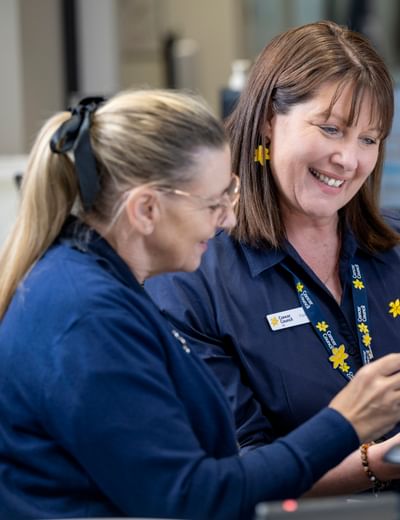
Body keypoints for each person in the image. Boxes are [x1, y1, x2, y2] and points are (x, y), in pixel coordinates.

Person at [1, 90, 400, 520]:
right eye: (213, 203)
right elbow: (191, 498)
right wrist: (344, 421)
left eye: (230, 193)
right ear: (146, 209)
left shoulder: (89, 287)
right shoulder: (87, 316)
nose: (227, 219)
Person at [145, 20, 400, 498]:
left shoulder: (393, 244)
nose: (348, 159)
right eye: (331, 129)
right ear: (267, 119)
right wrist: (378, 463)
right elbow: (232, 473)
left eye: (369, 139)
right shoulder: (193, 276)